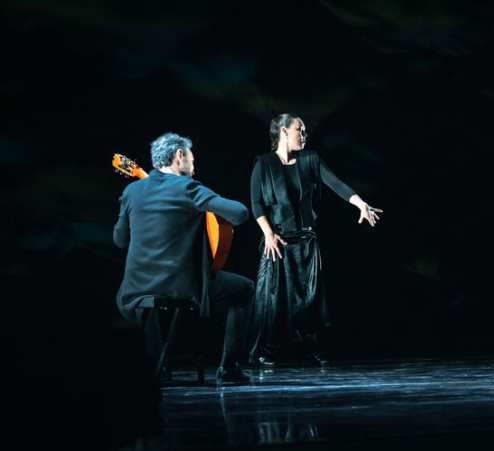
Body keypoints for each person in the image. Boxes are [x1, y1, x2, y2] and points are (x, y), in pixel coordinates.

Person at [114, 132, 254, 382]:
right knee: (245, 289)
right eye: (191, 158)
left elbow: (119, 240)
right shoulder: (189, 188)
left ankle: (155, 366)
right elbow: (240, 213)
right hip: (181, 284)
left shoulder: (131, 191)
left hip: (135, 286)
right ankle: (229, 367)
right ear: (179, 156)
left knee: (145, 302)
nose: (193, 165)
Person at [248, 113, 382, 368]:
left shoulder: (311, 159)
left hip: (306, 240)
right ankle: (267, 349)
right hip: (278, 241)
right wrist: (268, 234)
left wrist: (360, 204)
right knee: (274, 298)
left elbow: (336, 184)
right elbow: (256, 203)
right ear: (284, 132)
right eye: (300, 129)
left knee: (309, 298)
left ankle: (310, 348)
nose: (305, 134)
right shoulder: (263, 163)